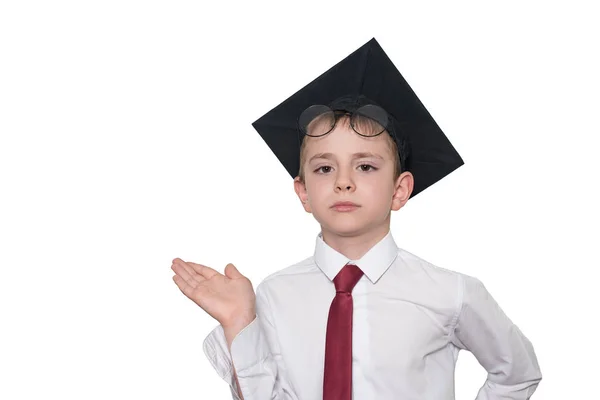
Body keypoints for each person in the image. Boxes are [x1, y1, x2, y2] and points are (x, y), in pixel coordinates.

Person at [171, 38, 542, 400]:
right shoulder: (272, 295)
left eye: (365, 166)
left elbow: (517, 374)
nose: (343, 181)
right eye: (324, 168)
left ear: (400, 190)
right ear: (303, 192)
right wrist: (239, 320)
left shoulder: (451, 293)